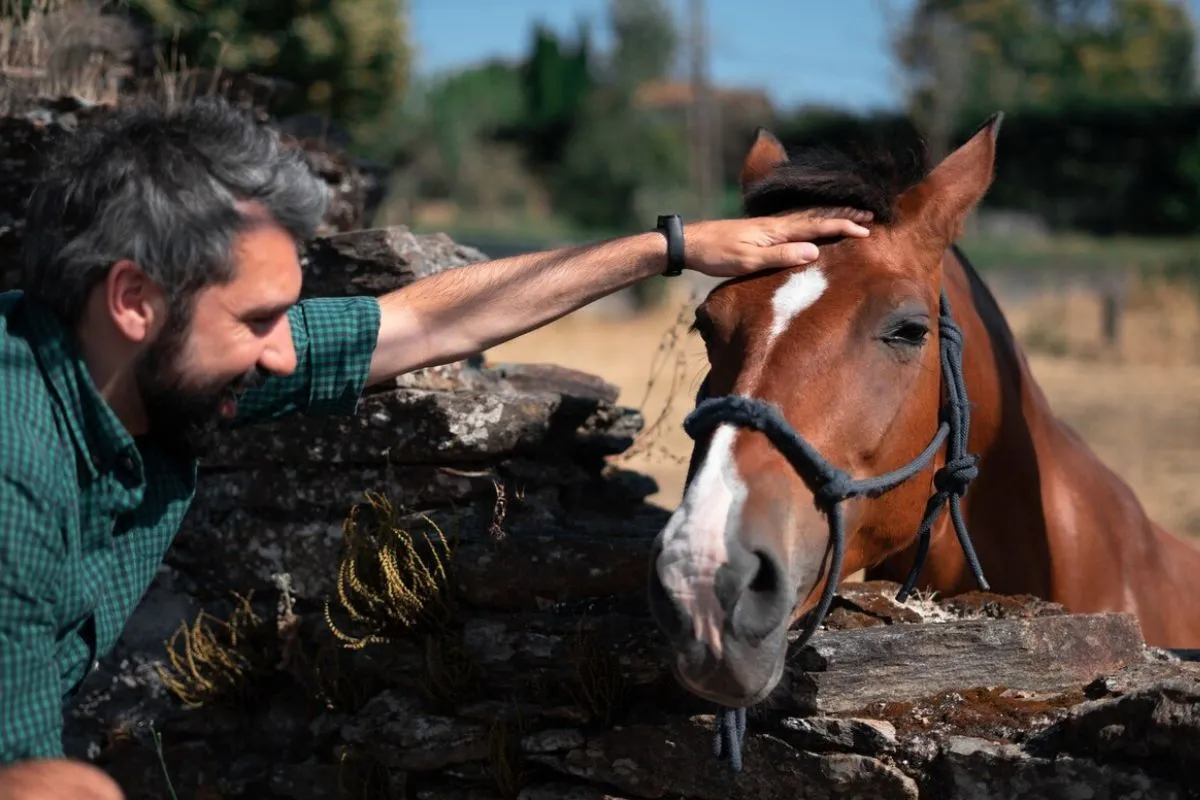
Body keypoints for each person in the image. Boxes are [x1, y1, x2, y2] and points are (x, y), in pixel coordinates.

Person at [0, 95, 872, 798]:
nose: (283, 353)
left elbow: (420, 321)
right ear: (133, 299)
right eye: (259, 320)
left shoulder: (155, 366)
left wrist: (670, 248)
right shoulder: (15, 464)